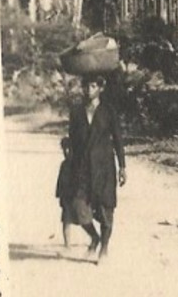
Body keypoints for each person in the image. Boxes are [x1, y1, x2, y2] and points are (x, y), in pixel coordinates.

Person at [67, 73, 126, 260]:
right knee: (78, 206)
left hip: (104, 167)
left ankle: (104, 248)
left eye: (93, 86)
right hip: (82, 167)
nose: (88, 90)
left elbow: (118, 140)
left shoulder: (109, 111)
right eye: (86, 86)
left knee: (106, 209)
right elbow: (73, 140)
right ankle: (94, 237)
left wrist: (122, 167)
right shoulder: (76, 111)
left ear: (100, 88)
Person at [54, 134, 98, 252]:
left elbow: (85, 181)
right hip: (67, 196)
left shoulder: (79, 164)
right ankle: (67, 246)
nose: (66, 152)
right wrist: (60, 195)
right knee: (66, 220)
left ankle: (95, 237)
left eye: (69, 149)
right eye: (64, 149)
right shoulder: (64, 165)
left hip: (79, 196)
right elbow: (60, 181)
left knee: (84, 219)